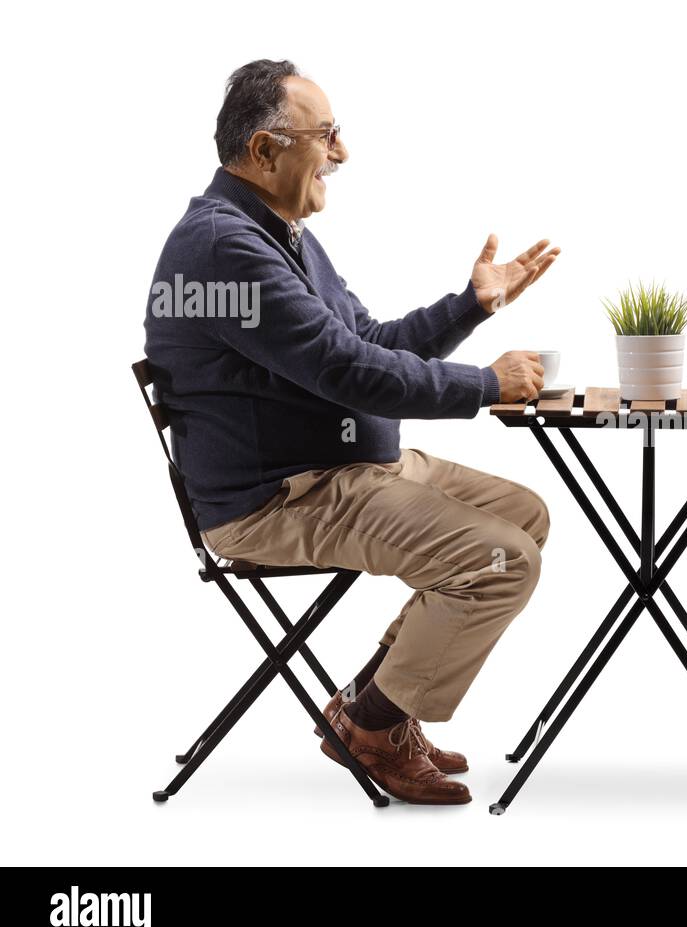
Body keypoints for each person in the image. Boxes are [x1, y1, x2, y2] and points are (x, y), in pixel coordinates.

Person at [144, 59, 560, 806]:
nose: (342, 154)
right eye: (327, 135)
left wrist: (471, 305)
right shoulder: (224, 250)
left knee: (523, 516)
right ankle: (372, 727)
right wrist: (487, 386)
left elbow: (366, 339)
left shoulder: (279, 231)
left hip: (342, 468)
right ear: (266, 150)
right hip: (281, 497)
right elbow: (347, 372)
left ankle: (371, 704)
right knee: (502, 560)